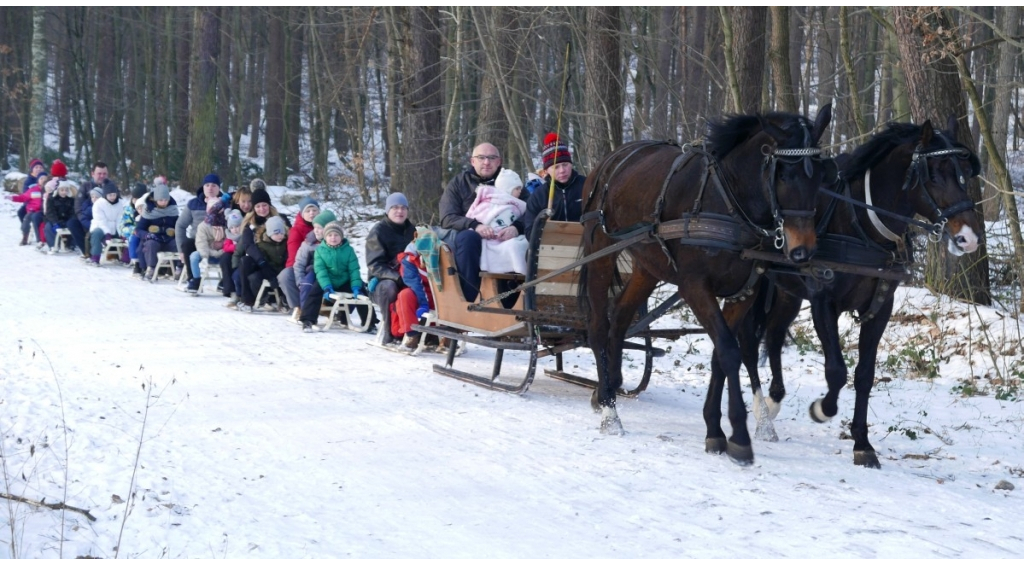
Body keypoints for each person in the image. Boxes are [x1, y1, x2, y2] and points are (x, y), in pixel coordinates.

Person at [439, 143, 525, 302]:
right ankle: (469, 299)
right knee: (468, 239)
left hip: (505, 235)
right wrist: (474, 225)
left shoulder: (510, 181)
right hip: (470, 235)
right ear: (472, 161)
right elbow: (447, 217)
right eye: (481, 158)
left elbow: (530, 210)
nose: (486, 162)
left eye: (491, 158)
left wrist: (516, 227)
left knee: (517, 244)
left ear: (499, 161)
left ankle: (512, 301)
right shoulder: (459, 183)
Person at [366, 192, 416, 345]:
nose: (399, 211)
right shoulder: (378, 231)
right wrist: (397, 278)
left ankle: (424, 333)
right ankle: (389, 332)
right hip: (382, 283)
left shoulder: (412, 230)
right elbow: (375, 265)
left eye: (403, 208)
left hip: (408, 275)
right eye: (395, 207)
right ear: (387, 210)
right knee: (390, 287)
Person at [300, 221, 365, 332]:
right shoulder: (320, 251)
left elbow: (354, 270)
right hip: (327, 281)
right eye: (330, 235)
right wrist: (326, 286)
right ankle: (308, 320)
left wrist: (356, 286)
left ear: (341, 236)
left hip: (344, 280)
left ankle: (370, 321)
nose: (333, 238)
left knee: (362, 292)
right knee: (314, 291)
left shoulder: (349, 250)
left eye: (336, 235)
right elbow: (320, 270)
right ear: (325, 237)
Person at [523, 132, 587, 240]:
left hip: (586, 245)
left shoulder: (587, 185)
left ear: (571, 164)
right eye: (556, 167)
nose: (562, 170)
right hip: (552, 248)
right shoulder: (539, 196)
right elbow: (529, 231)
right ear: (547, 170)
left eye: (565, 165)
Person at [465, 168, 529, 275]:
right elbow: (480, 216)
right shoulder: (489, 202)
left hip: (510, 237)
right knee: (512, 246)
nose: (520, 191)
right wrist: (488, 229)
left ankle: (521, 272)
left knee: (522, 244)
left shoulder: (517, 205)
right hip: (490, 238)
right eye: (517, 188)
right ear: (508, 189)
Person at [178, 173, 229, 287]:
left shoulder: (225, 204)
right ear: (203, 187)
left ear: (219, 188)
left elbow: (232, 226)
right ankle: (193, 279)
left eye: (214, 185)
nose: (210, 188)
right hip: (198, 241)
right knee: (187, 245)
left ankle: (226, 280)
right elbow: (180, 225)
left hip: (220, 242)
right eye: (207, 185)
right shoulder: (193, 204)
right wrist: (180, 249)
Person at [238, 215, 288, 313]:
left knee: (286, 278)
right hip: (267, 270)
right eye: (276, 233)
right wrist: (270, 275)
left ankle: (284, 300)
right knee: (254, 277)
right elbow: (262, 263)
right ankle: (263, 297)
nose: (280, 235)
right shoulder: (262, 244)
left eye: (282, 233)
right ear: (269, 233)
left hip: (281, 270)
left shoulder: (286, 243)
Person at [280, 196, 320, 318]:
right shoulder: (296, 230)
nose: (311, 213)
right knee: (286, 276)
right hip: (302, 262)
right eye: (308, 211)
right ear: (302, 213)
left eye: (314, 210)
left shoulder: (325, 226)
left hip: (322, 263)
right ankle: (298, 306)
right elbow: (294, 254)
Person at [293, 209, 335, 321]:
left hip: (333, 273)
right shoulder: (308, 243)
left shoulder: (338, 242)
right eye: (314, 227)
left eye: (319, 228)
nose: (316, 231)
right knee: (307, 284)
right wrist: (300, 281)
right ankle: (305, 312)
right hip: (313, 272)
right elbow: (299, 264)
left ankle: (342, 314)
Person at [70, 162, 118, 258]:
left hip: (107, 219)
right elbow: (78, 207)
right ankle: (87, 252)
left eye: (104, 174)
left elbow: (118, 204)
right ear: (93, 174)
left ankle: (114, 252)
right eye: (99, 173)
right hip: (88, 218)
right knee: (72, 223)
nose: (102, 176)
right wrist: (87, 222)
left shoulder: (111, 186)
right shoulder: (85, 186)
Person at [136, 182, 179, 281]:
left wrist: (176, 232)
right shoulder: (148, 211)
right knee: (150, 244)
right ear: (155, 200)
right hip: (154, 239)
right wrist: (147, 235)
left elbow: (179, 226)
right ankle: (150, 268)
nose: (164, 202)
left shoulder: (173, 210)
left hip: (169, 239)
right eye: (161, 200)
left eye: (166, 200)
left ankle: (179, 268)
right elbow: (139, 229)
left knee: (180, 244)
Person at [189, 199, 229, 293]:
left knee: (230, 257)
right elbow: (201, 244)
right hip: (206, 255)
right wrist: (212, 252)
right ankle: (196, 280)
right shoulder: (202, 226)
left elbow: (229, 242)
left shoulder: (227, 225)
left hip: (223, 254)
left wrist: (222, 250)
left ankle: (225, 281)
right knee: (194, 256)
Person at [86, 183, 122, 265]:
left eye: (114, 195)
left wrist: (120, 232)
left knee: (125, 235)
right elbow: (101, 220)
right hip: (100, 226)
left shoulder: (120, 204)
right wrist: (107, 233)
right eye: (110, 195)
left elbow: (120, 219)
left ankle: (125, 257)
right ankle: (95, 257)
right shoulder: (98, 204)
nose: (112, 197)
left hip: (115, 227)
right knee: (96, 234)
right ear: (105, 195)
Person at [7, 173, 46, 246]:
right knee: (26, 219)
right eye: (41, 178)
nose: (43, 180)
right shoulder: (33, 189)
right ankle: (25, 235)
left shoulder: (48, 189)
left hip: (44, 210)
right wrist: (12, 198)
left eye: (45, 178)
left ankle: (41, 239)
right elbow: (23, 197)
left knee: (38, 220)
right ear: (38, 180)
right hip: (33, 210)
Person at [120, 183, 148, 272]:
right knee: (134, 239)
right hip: (131, 231)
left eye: (138, 199)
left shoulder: (147, 209)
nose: (135, 201)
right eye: (134, 199)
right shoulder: (129, 210)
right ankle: (136, 262)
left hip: (144, 231)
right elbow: (124, 224)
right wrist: (133, 230)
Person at [43, 181, 76, 253]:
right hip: (55, 219)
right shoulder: (52, 199)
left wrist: (71, 220)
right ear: (58, 190)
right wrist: (55, 222)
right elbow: (50, 212)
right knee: (48, 227)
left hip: (66, 219)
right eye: (62, 190)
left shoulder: (71, 200)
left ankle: (71, 245)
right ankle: (53, 245)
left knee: (74, 225)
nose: (64, 192)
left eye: (66, 190)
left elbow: (73, 212)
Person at [220, 209, 245, 306]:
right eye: (233, 227)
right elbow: (226, 247)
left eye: (238, 226)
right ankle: (231, 292)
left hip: (242, 256)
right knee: (225, 258)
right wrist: (235, 247)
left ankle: (241, 294)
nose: (235, 229)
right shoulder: (229, 237)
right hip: (232, 257)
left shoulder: (244, 235)